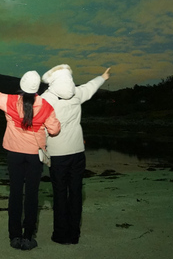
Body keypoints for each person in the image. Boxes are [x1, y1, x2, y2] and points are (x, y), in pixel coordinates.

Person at [0, 63, 61, 251]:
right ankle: (28, 237)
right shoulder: (46, 106)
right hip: (35, 157)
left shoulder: (9, 101)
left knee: (15, 194)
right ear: (37, 88)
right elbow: (55, 130)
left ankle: (14, 237)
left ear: (22, 85)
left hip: (14, 154)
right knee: (32, 196)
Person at [41, 64, 111, 245]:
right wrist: (102, 77)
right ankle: (74, 235)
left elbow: (38, 128)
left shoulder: (45, 99)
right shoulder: (76, 94)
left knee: (59, 194)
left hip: (58, 154)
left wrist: (41, 152)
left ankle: (60, 235)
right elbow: (89, 87)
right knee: (76, 193)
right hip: (78, 153)